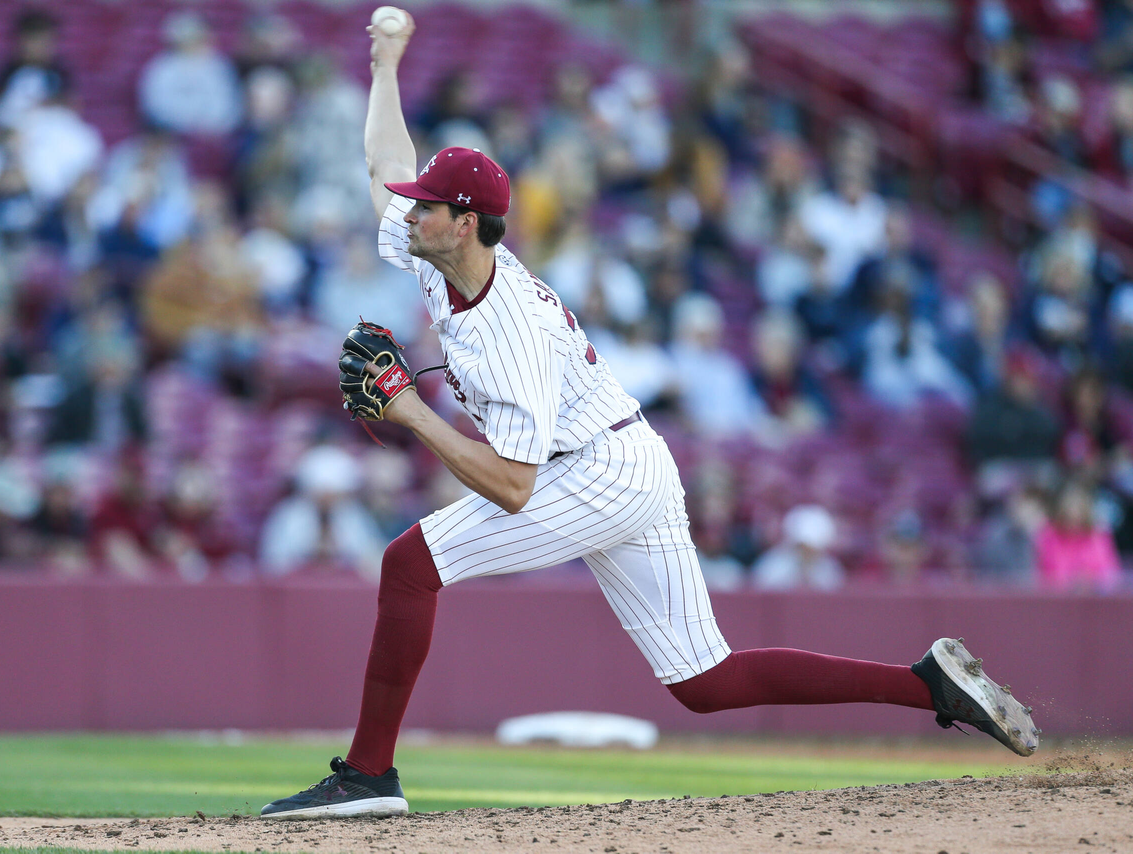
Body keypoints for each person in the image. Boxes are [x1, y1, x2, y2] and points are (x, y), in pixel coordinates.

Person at [258, 13, 1040, 821]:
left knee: (410, 563)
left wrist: (411, 414)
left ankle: (369, 775)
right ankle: (927, 687)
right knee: (705, 682)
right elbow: (385, 162)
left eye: (427, 206)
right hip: (629, 458)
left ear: (464, 224)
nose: (408, 211)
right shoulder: (443, 253)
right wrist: (386, 66)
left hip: (588, 470)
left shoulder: (507, 334)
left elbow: (516, 489)